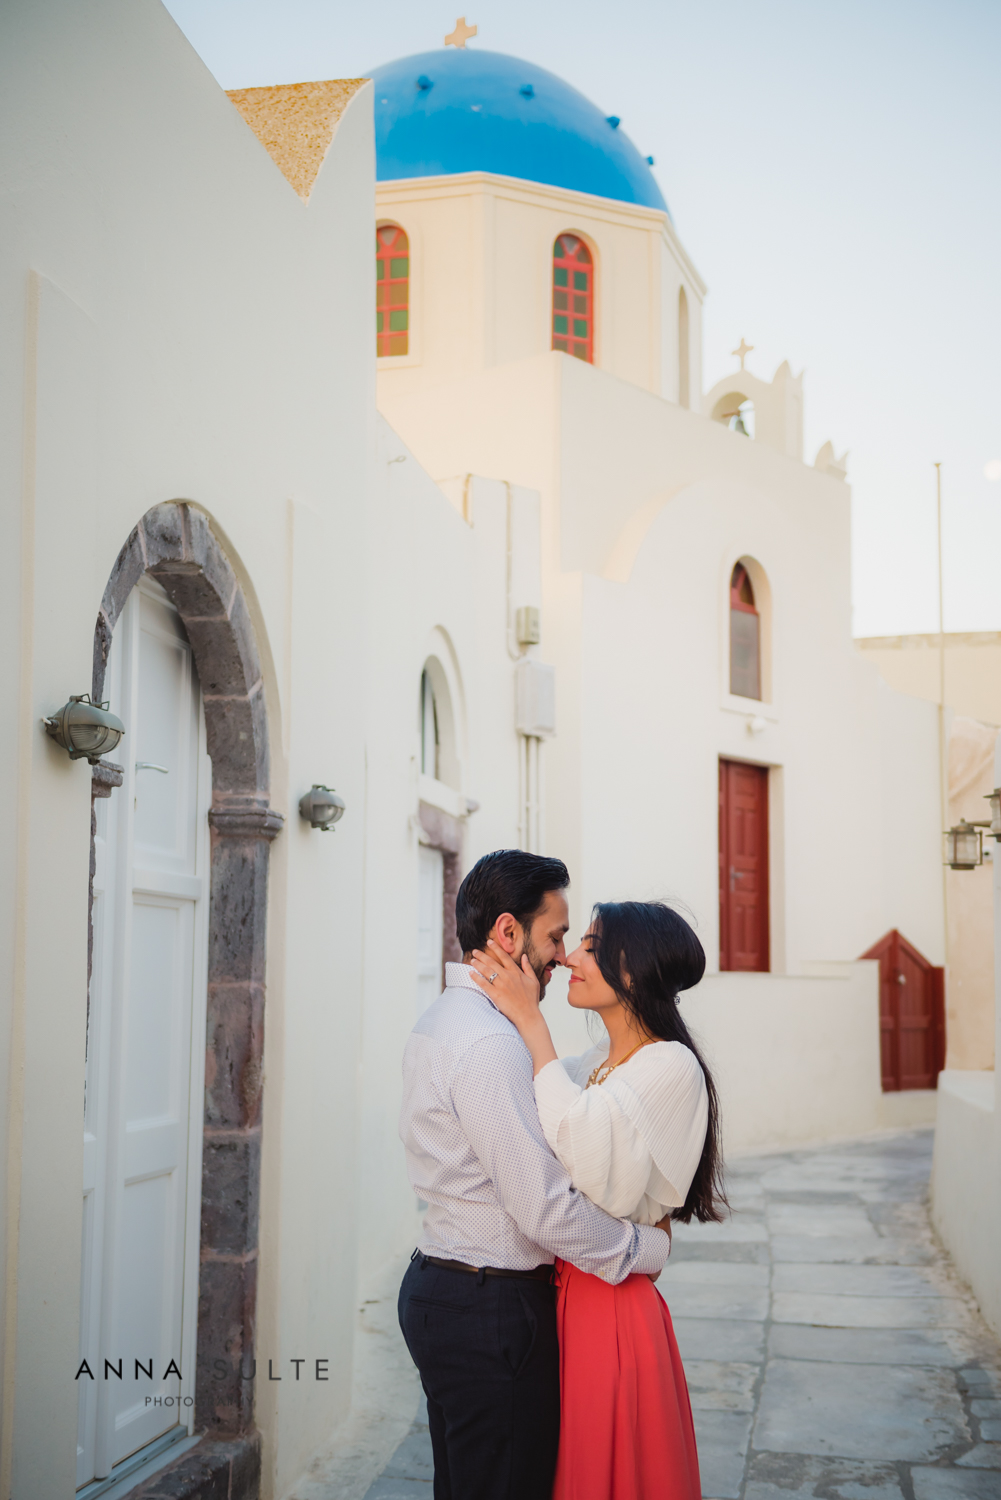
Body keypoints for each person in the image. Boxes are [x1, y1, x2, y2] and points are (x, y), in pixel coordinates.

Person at [398, 853, 673, 1500]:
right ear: (506, 934)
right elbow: (543, 1208)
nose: (562, 956)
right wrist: (643, 1249)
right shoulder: (489, 1043)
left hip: (447, 1288)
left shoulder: (446, 1019)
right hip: (488, 1309)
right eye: (555, 936)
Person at [467, 899, 727, 1500]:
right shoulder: (594, 1067)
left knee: (606, 1474)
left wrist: (534, 1025)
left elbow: (583, 1152)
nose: (571, 956)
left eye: (590, 944)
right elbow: (545, 1124)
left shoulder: (671, 1064)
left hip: (611, 1306)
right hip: (567, 1291)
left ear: (630, 969)